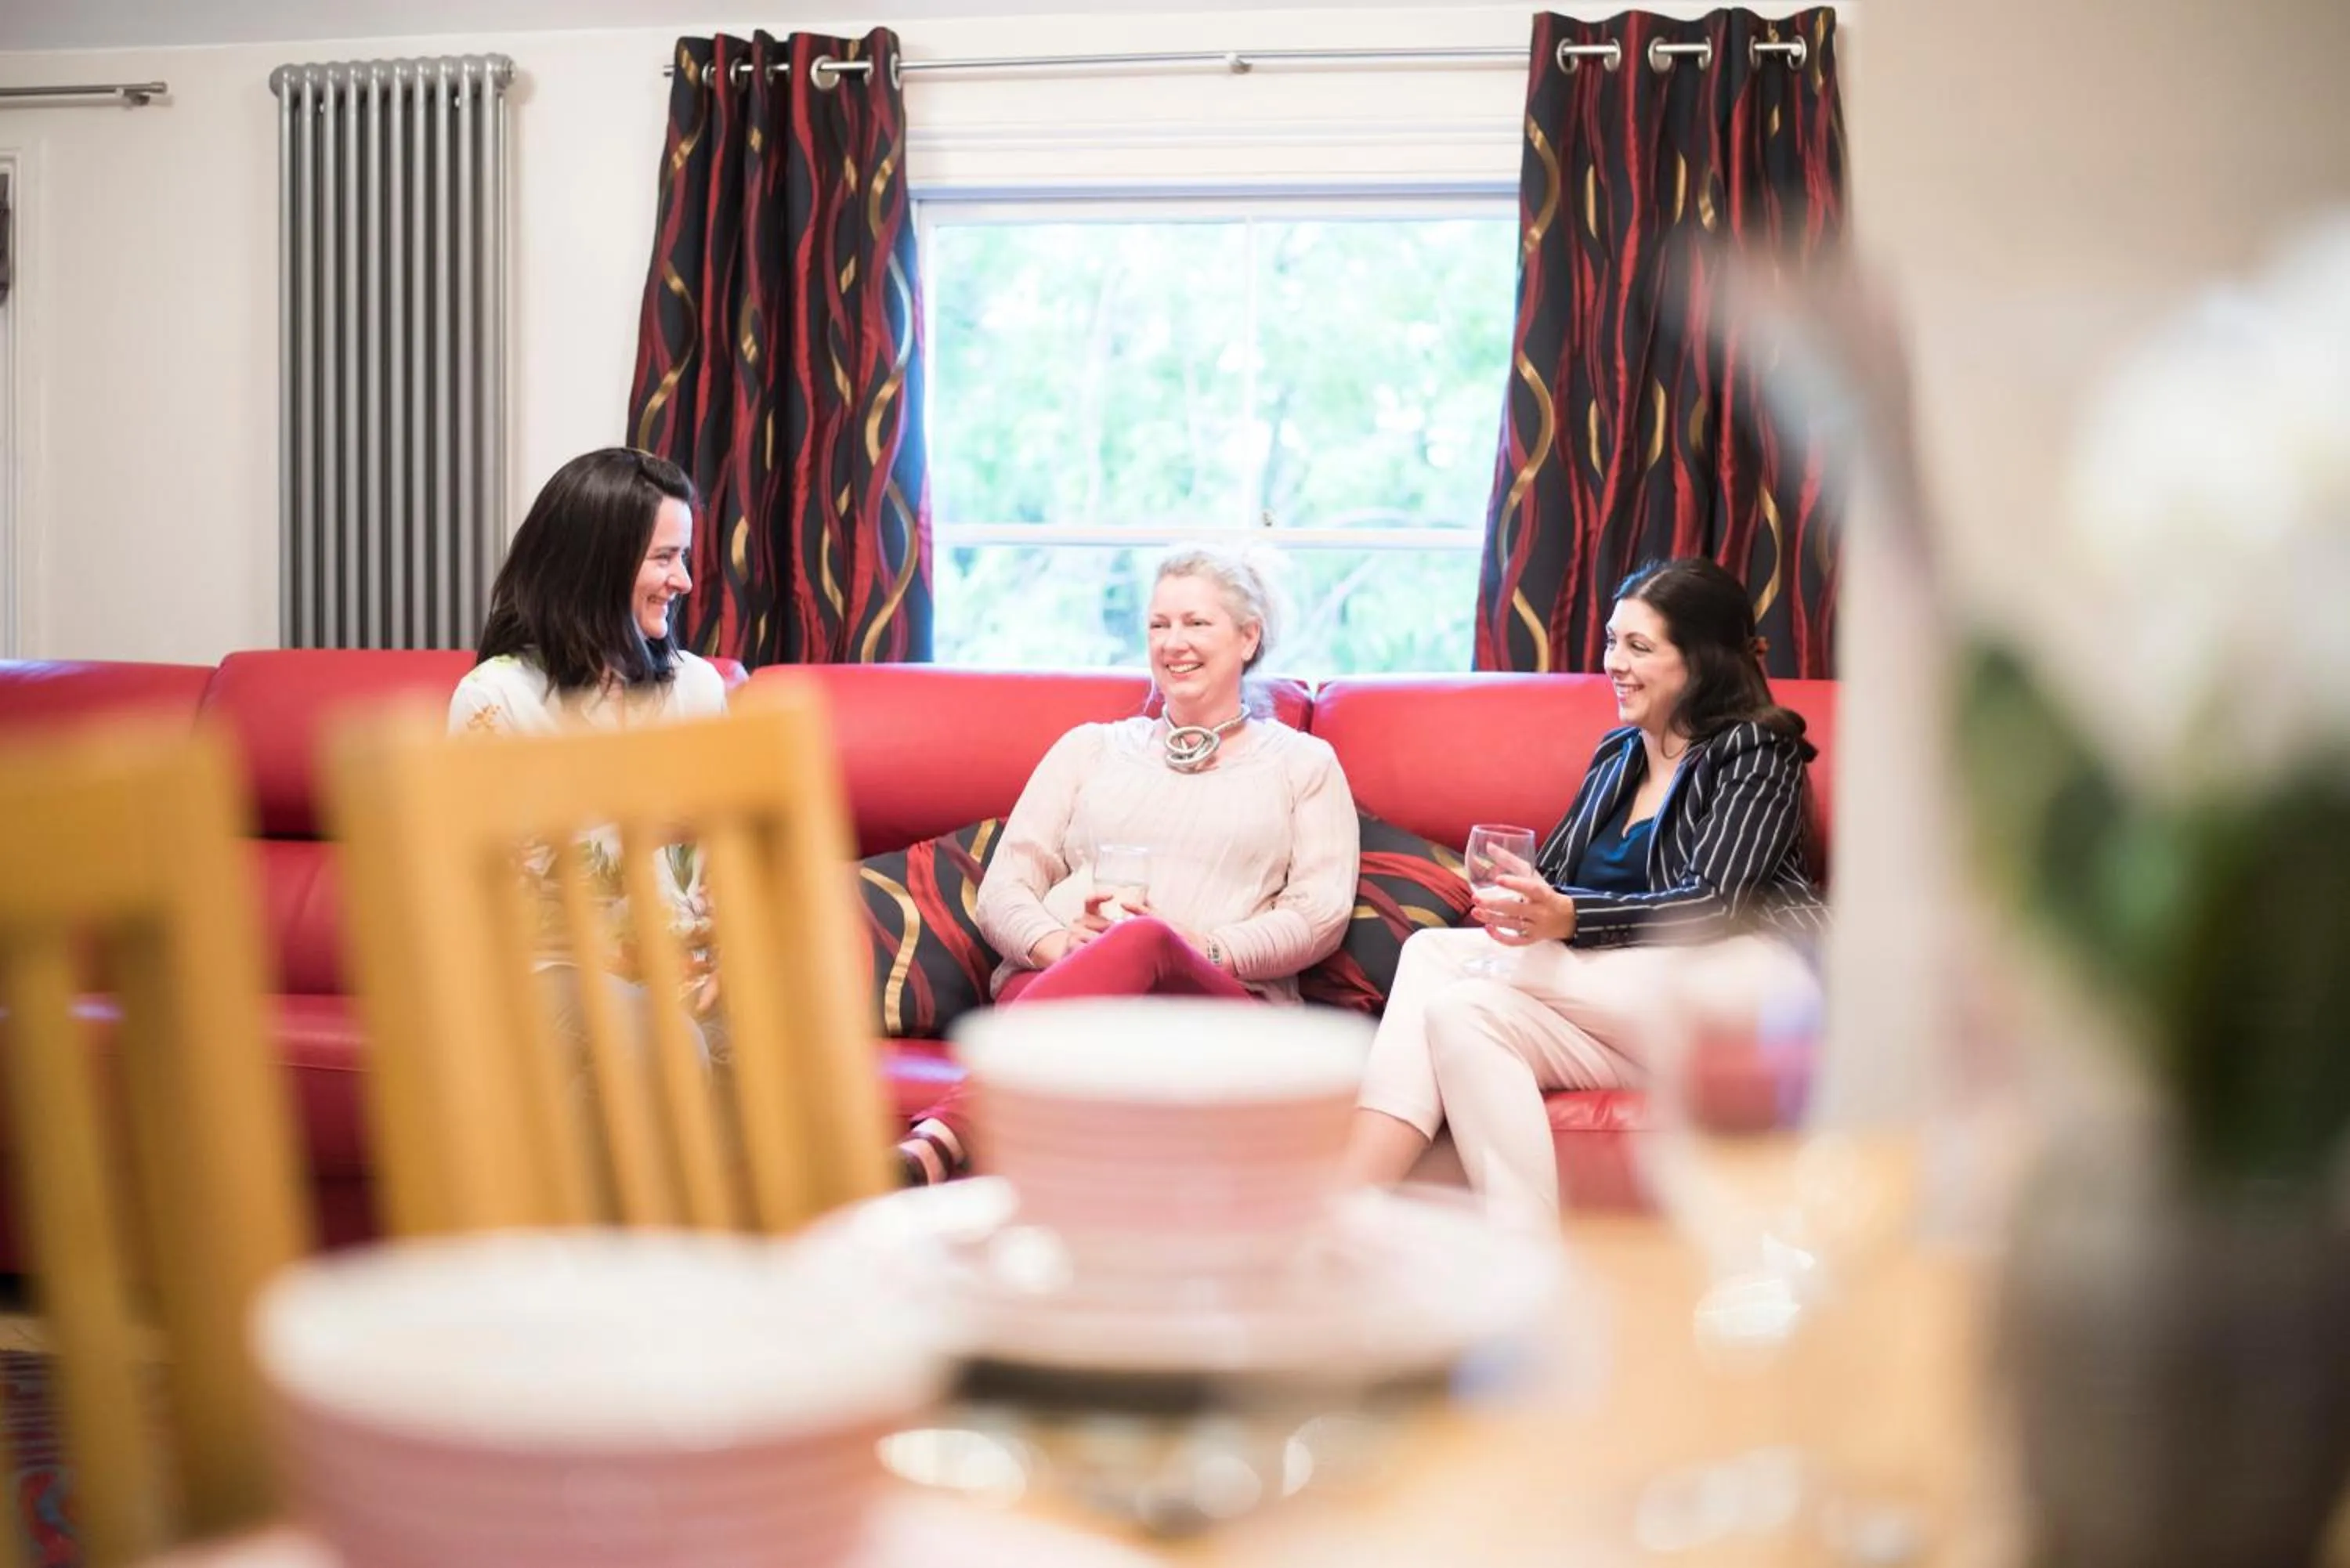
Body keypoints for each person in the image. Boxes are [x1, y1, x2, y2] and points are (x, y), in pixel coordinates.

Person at [1341, 557, 1827, 1231]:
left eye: (1639, 646)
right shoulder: (1618, 755)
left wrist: (1567, 916)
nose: (1615, 664)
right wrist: (1528, 908)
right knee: (1463, 1011)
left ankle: (1346, 1202)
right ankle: (1524, 1262)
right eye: (1610, 642)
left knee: (1434, 955)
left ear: (1701, 659)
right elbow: (1561, 879)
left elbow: (1718, 903)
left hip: (1735, 995)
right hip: (1622, 1011)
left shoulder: (1757, 750)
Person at [895, 545, 1361, 1184]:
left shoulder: (1303, 765)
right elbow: (1006, 886)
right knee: (1095, 982)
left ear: (1249, 636)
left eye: (1196, 623)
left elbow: (1320, 914)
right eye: (1159, 625)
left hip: (1224, 1012)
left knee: (1144, 938)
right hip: (1069, 995)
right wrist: (1063, 946)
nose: (1174, 643)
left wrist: (1204, 948)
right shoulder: (1089, 749)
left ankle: (940, 1138)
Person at [447, 446, 728, 1059]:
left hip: (683, 969)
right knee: (671, 1048)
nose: (683, 580)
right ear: (597, 565)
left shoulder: (697, 686)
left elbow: (726, 861)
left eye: (683, 557)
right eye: (664, 558)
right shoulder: (496, 699)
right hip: (547, 972)